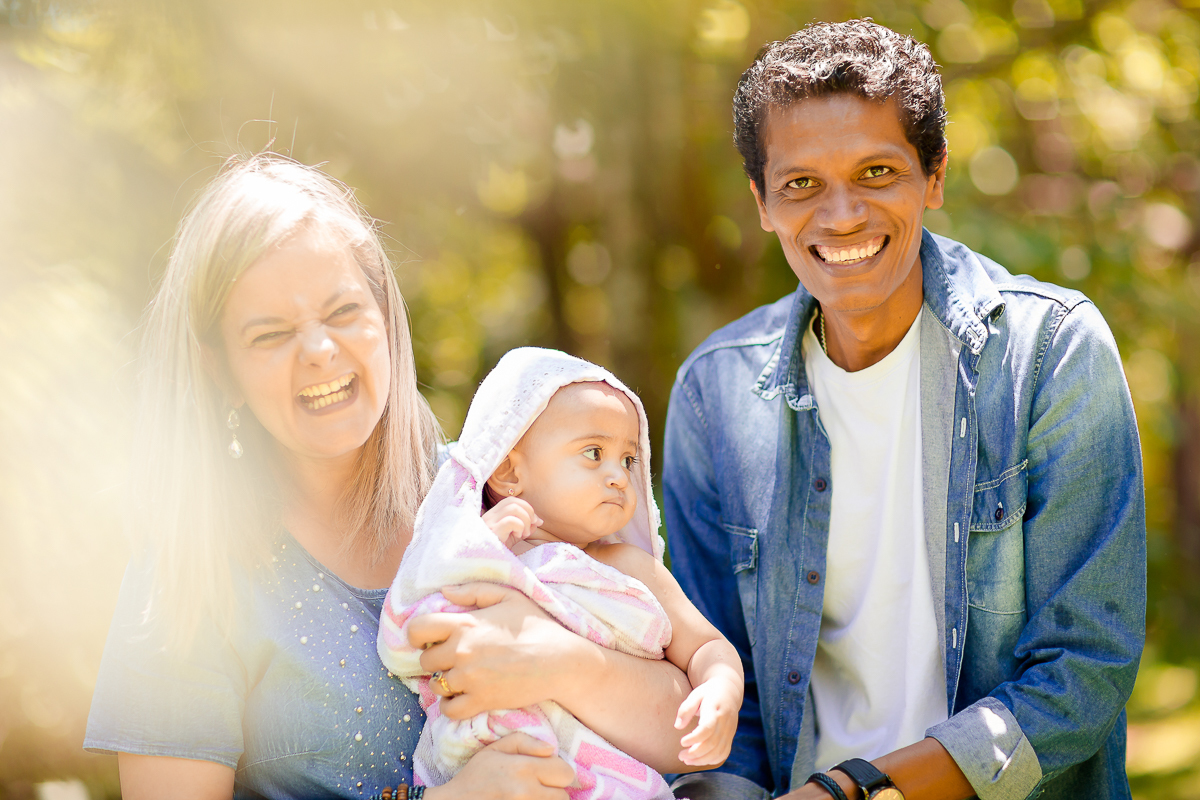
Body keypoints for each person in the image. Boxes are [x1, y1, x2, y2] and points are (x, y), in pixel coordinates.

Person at [83, 155, 700, 800]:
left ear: (385, 317)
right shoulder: (188, 573)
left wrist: (560, 662)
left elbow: (687, 737)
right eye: (270, 334)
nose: (319, 349)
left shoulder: (496, 496)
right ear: (220, 372)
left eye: (343, 310)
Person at [663, 19, 1145, 800]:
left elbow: (1084, 667)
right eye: (801, 184)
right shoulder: (713, 393)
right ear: (761, 201)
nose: (842, 215)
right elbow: (720, 681)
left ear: (934, 178)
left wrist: (857, 791)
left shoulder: (1049, 353)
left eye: (878, 171)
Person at [377, 348, 743, 799]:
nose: (619, 477)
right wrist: (469, 551)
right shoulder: (484, 552)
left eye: (629, 459)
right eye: (594, 453)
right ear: (510, 471)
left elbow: (705, 645)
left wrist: (722, 683)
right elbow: (408, 630)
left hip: (606, 782)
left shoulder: (633, 569)